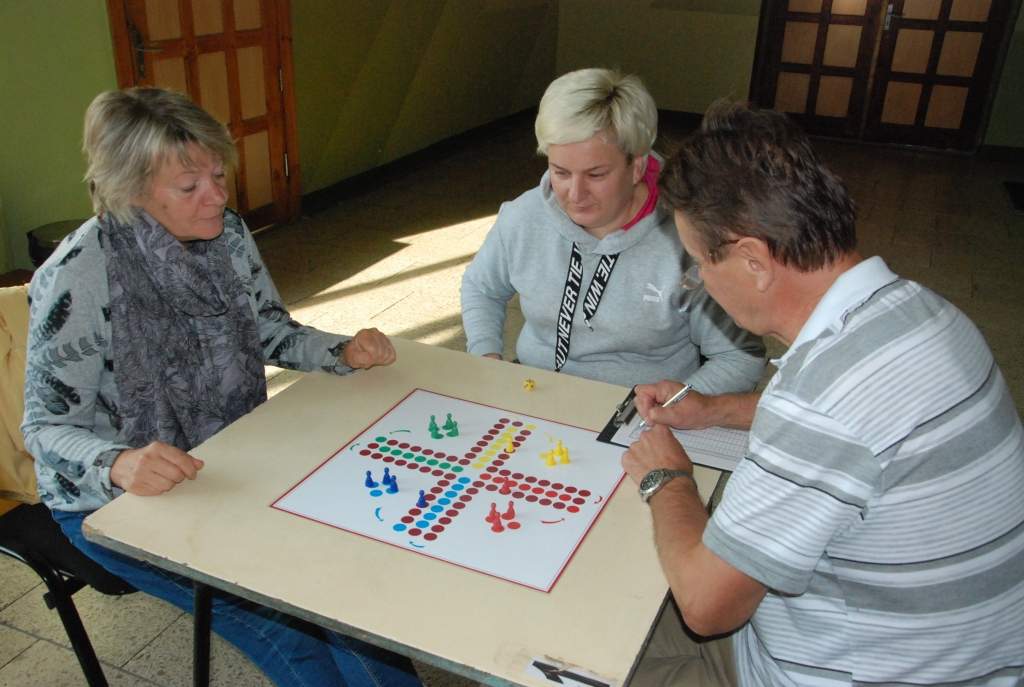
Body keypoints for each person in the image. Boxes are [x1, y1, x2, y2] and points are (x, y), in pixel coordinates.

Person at [22, 87, 420, 687]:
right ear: (131, 190)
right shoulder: (79, 275)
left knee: (349, 606)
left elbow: (267, 329)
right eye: (190, 187)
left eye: (217, 174)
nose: (218, 196)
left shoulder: (226, 234)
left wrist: (340, 351)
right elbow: (44, 428)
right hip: (114, 501)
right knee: (289, 636)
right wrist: (118, 462)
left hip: (230, 456)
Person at [622, 101, 1024, 686]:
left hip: (840, 671)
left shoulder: (817, 398)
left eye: (698, 264)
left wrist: (669, 480)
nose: (700, 283)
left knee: (579, 647)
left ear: (753, 261)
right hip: (963, 657)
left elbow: (707, 608)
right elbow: (864, 436)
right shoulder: (924, 310)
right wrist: (716, 409)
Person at [460, 68, 764, 393]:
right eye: (560, 172)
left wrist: (669, 406)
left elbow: (740, 358)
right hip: (537, 391)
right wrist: (484, 355)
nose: (575, 195)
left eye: (596, 174)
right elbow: (481, 286)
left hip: (640, 409)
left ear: (637, 166)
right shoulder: (523, 217)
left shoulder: (689, 237)